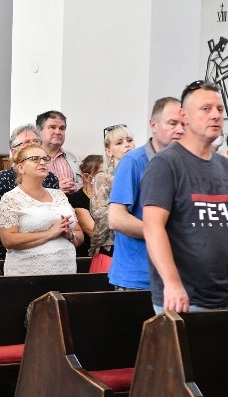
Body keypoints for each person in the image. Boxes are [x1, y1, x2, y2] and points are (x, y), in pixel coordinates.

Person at [143, 81, 228, 313]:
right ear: (184, 115)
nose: (215, 115)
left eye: (220, 109)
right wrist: (172, 283)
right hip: (185, 299)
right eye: (206, 109)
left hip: (222, 296)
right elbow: (152, 227)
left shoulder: (224, 165)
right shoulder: (166, 164)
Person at [108, 97, 183, 291]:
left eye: (184, 124)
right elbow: (117, 219)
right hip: (139, 278)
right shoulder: (134, 161)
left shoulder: (185, 164)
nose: (180, 130)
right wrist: (164, 235)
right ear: (154, 125)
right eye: (172, 123)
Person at [0, 144, 83, 276]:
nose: (42, 162)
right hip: (28, 275)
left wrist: (69, 235)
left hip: (65, 271)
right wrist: (50, 233)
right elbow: (8, 240)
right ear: (21, 168)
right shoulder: (12, 198)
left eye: (45, 159)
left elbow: (79, 234)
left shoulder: (59, 195)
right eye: (35, 159)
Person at [88, 125, 135, 272]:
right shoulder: (104, 178)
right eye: (119, 142)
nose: (127, 144)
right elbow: (99, 213)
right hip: (112, 249)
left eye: (129, 140)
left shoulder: (144, 174)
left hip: (138, 247)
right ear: (109, 151)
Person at [0, 124, 60, 209]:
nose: (33, 145)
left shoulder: (50, 177)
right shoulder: (5, 178)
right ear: (14, 151)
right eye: (26, 142)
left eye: (36, 141)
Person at [36, 110, 82, 194]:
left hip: (72, 204)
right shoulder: (30, 159)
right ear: (39, 131)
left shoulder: (74, 158)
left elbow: (85, 186)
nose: (58, 132)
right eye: (52, 127)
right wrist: (55, 187)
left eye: (62, 128)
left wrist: (74, 186)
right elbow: (26, 188)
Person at [67, 155, 103, 257]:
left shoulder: (112, 196)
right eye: (101, 174)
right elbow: (95, 233)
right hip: (89, 257)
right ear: (87, 177)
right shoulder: (76, 200)